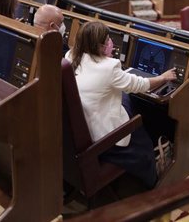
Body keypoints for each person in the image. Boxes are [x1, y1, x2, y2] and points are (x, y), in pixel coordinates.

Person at [65, 21, 177, 189]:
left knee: (127, 98)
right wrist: (164, 77)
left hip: (84, 126)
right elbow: (141, 85)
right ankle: (153, 178)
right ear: (102, 46)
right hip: (104, 136)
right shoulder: (110, 67)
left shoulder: (71, 55)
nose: (112, 43)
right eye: (109, 40)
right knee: (140, 129)